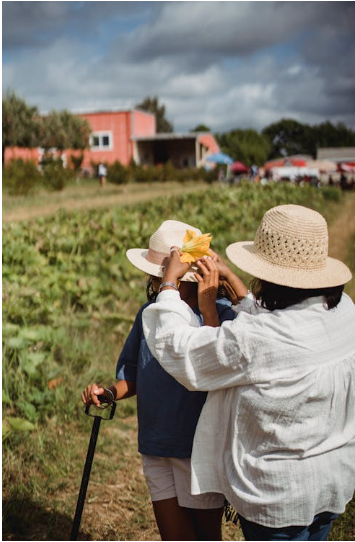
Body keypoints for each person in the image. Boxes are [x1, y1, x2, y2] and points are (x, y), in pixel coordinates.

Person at [142, 205, 355, 541]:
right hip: (333, 479)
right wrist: (235, 285)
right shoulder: (344, 312)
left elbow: (182, 350)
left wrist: (169, 284)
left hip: (279, 497)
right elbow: (280, 320)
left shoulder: (256, 340)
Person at [81, 220, 238, 541]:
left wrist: (208, 312)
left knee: (206, 536)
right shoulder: (149, 314)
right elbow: (136, 375)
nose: (154, 281)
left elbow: (217, 367)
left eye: (162, 275)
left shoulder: (223, 315)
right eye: (156, 276)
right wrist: (110, 392)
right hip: (155, 444)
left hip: (198, 448)